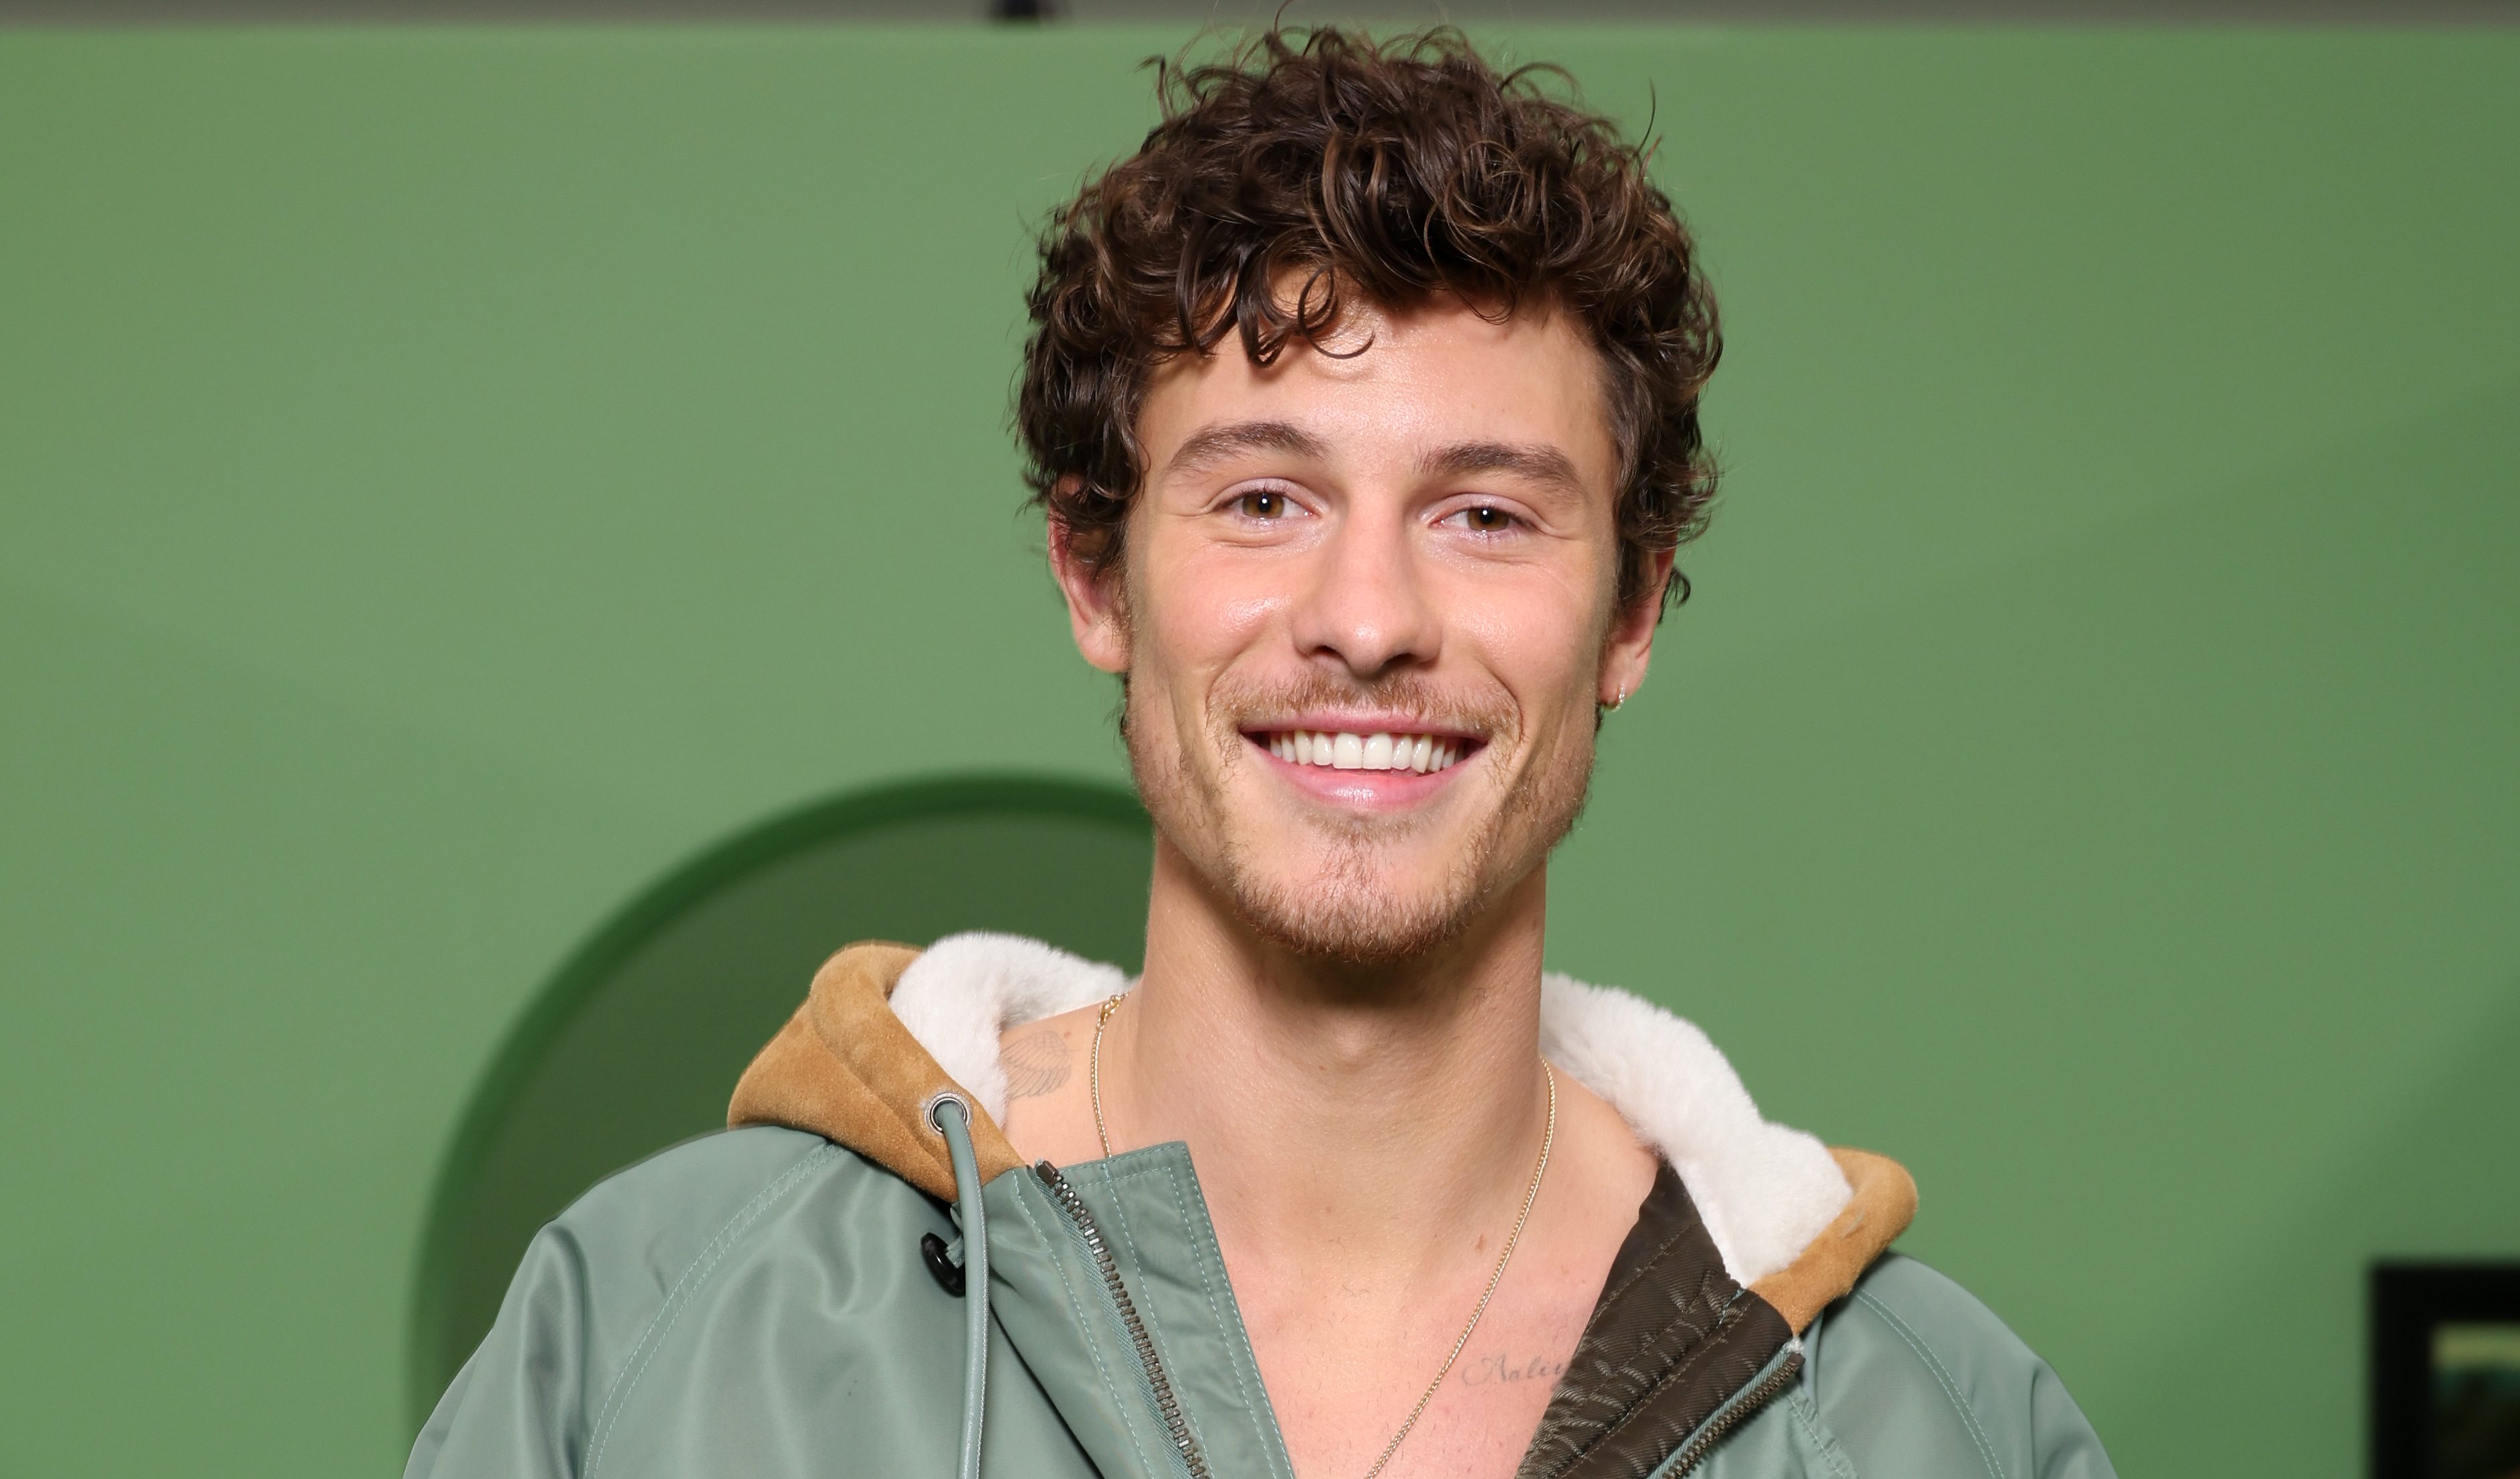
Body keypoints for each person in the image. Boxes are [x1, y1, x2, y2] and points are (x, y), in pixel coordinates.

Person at [409, 27, 2114, 1479]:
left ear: (1630, 614)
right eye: (1260, 499)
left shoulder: (1927, 1424)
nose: (1366, 614)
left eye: (1486, 511)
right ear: (1095, 572)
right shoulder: (652, 1340)